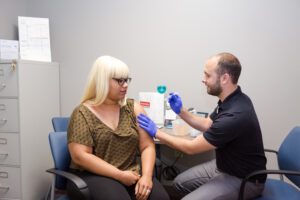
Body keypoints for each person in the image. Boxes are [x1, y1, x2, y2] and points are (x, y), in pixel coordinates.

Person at [137, 52, 267, 200]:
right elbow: (207, 124)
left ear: (225, 78)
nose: (203, 79)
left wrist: (156, 132)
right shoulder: (232, 98)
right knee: (179, 183)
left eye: (208, 75)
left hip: (244, 179)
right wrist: (181, 111)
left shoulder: (235, 115)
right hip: (223, 166)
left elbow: (190, 148)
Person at [67, 56, 169, 200]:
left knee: (160, 198)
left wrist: (147, 177)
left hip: (130, 174)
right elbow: (81, 156)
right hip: (93, 176)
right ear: (102, 81)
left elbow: (147, 146)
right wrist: (119, 175)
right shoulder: (82, 113)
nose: (125, 85)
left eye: (127, 80)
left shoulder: (134, 109)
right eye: (119, 80)